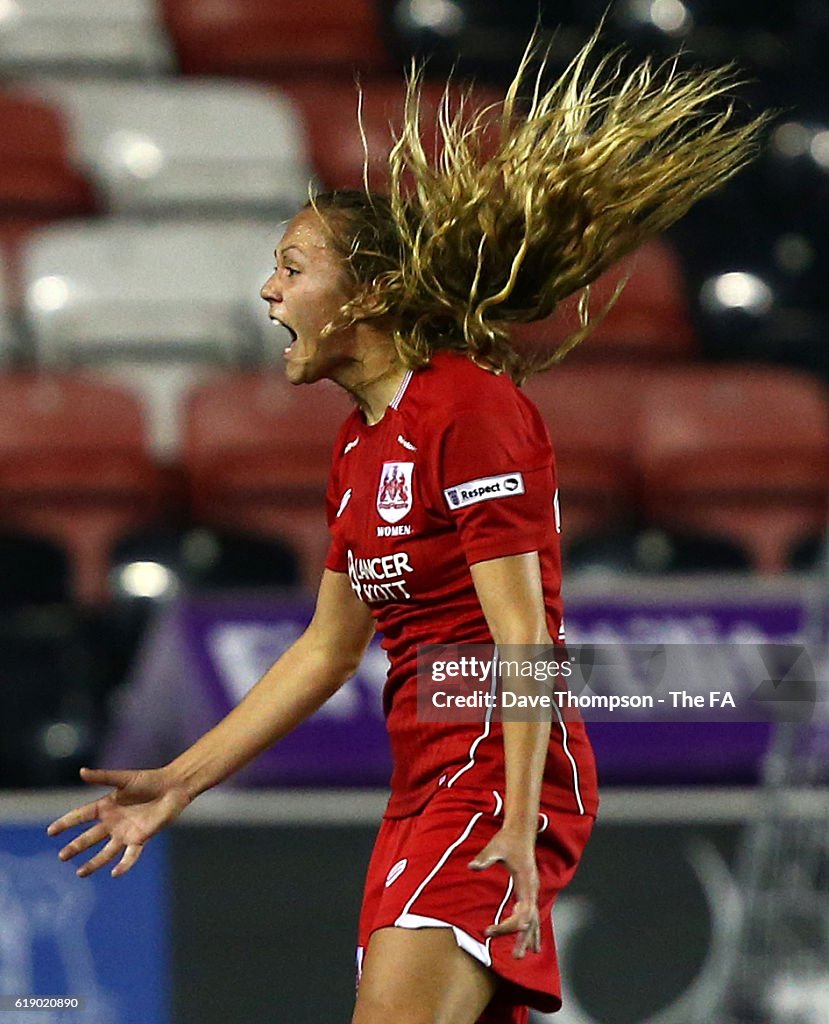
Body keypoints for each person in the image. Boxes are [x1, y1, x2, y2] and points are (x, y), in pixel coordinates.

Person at [47, 30, 767, 1024]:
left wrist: (515, 817)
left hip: (490, 772)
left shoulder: (468, 407)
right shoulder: (357, 445)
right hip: (425, 781)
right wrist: (180, 778)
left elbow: (526, 639)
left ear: (372, 293)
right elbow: (325, 649)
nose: (268, 291)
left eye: (293, 268)